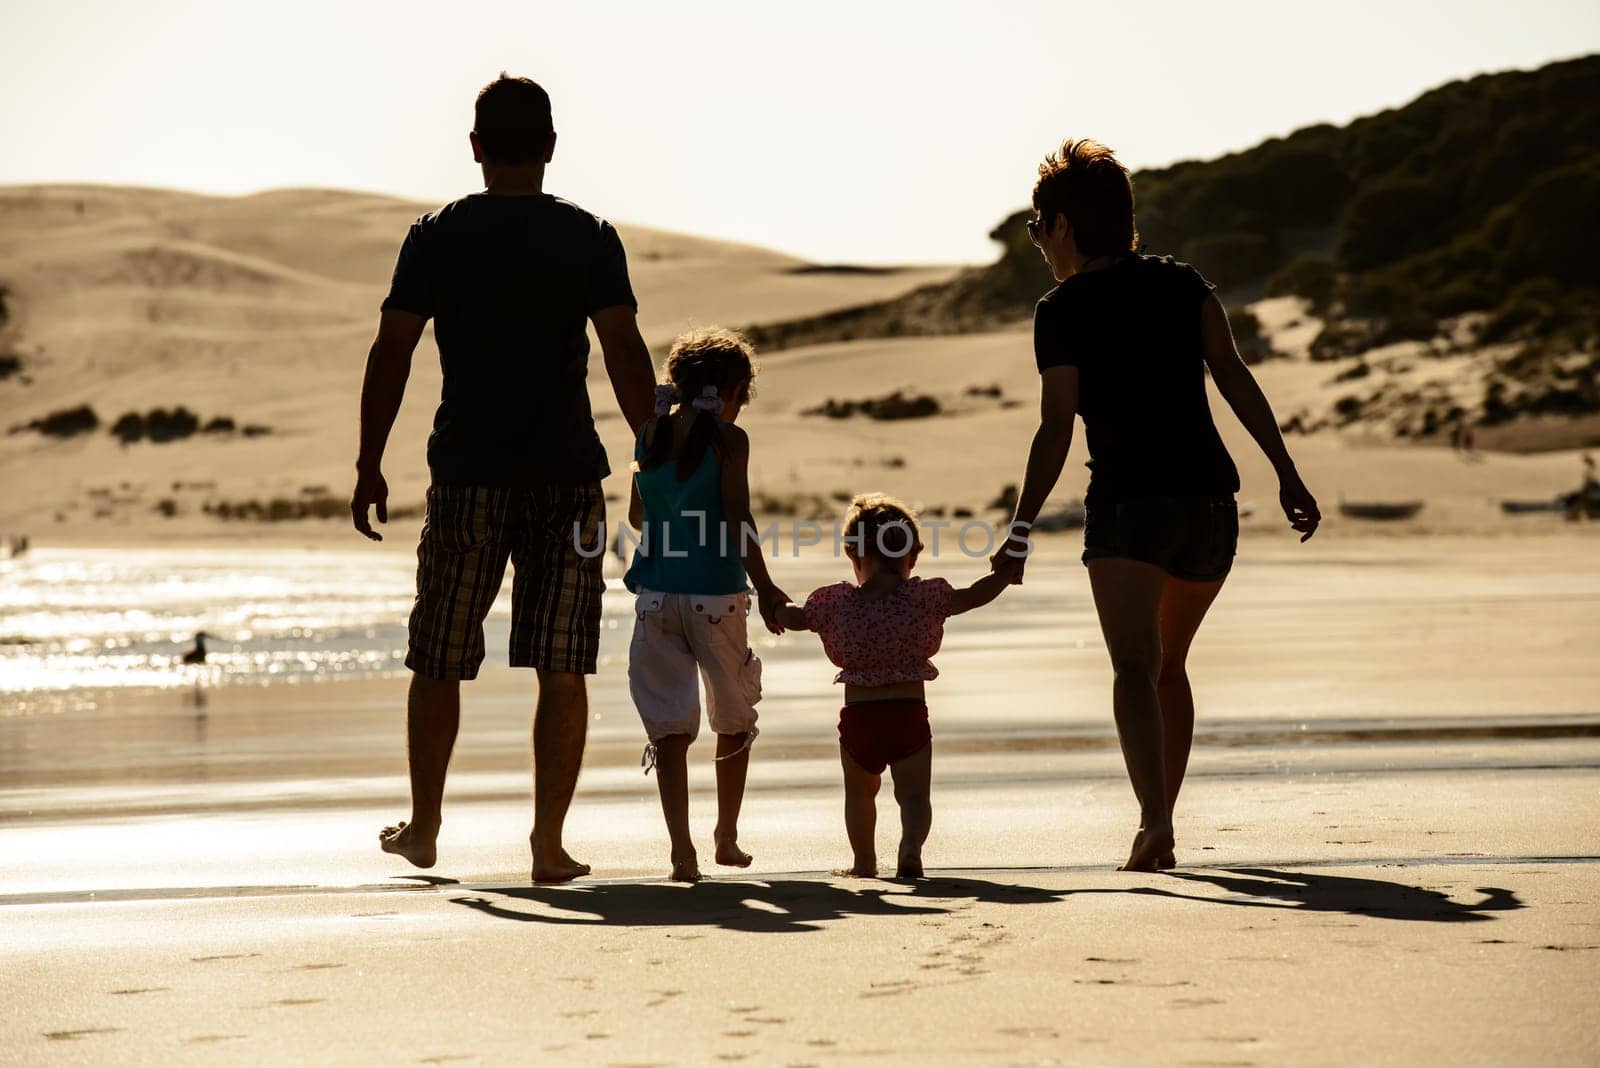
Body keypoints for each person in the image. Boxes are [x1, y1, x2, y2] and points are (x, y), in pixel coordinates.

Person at [350, 74, 656, 882]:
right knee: (563, 663)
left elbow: (394, 351)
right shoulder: (588, 235)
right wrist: (652, 451)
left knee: (440, 654)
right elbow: (624, 351)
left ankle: (424, 827)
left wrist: (369, 460)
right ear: (550, 148)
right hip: (565, 471)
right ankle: (547, 846)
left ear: (476, 146)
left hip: (468, 473)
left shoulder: (436, 235)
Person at [994, 139, 1319, 873]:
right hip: (1209, 504)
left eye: (1039, 225)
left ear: (1065, 225)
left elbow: (1056, 425)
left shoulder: (1061, 309)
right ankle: (1160, 818)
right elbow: (1233, 377)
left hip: (1128, 507)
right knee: (1170, 663)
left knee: (1134, 668)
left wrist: (1019, 527)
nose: (1040, 241)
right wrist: (1287, 473)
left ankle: (1154, 823)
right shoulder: (1183, 284)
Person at [773, 495, 1014, 879]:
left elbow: (797, 617)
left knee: (859, 795)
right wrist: (1003, 576)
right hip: (908, 715)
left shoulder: (836, 603)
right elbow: (971, 597)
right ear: (912, 555)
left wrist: (772, 602)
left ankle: (864, 862)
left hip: (859, 719)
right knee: (915, 797)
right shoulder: (923, 597)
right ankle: (910, 848)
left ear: (854, 555)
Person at [624, 328, 787, 882]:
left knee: (670, 729)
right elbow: (739, 518)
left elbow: (636, 518)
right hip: (715, 595)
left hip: (655, 599)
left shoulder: (650, 434)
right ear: (736, 389)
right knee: (734, 718)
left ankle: (681, 853)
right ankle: (726, 836)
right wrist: (765, 587)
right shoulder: (729, 441)